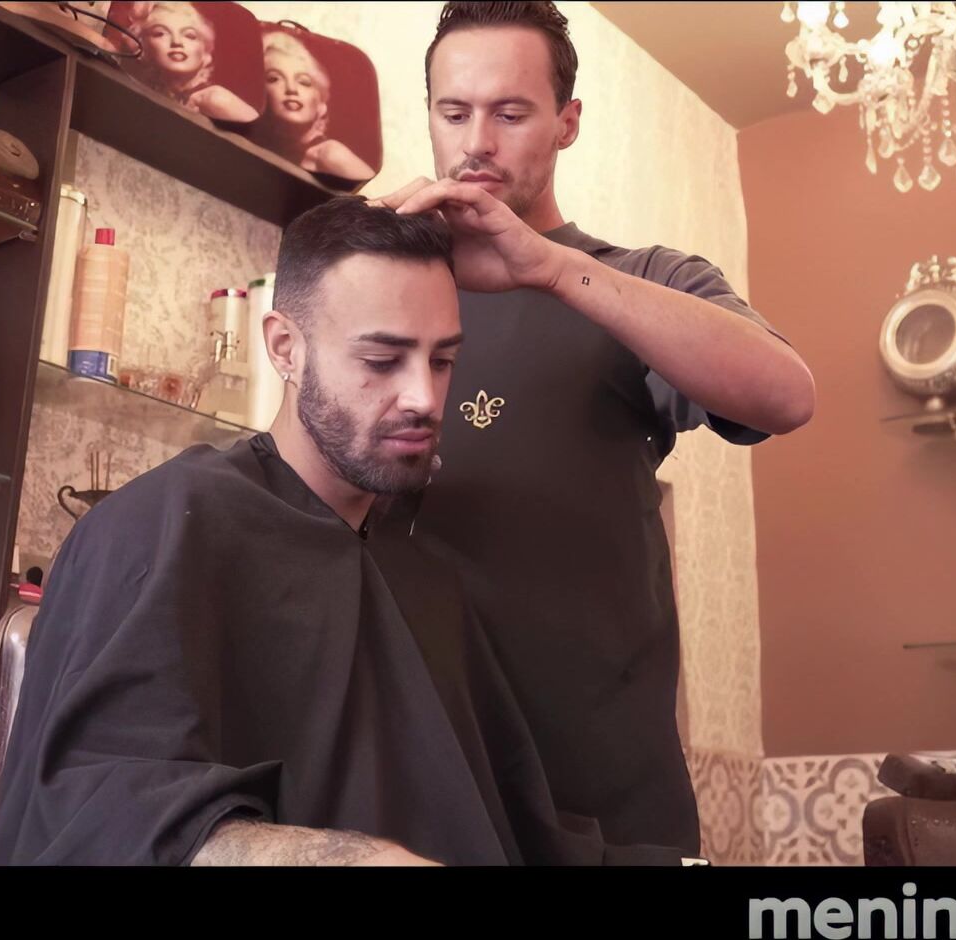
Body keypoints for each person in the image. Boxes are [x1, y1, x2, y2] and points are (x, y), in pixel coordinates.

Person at [0, 197, 679, 866]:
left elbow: (517, 831)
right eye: (382, 361)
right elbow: (101, 816)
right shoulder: (164, 528)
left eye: (442, 361)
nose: (424, 397)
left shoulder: (427, 574)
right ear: (285, 347)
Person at [369, 1, 817, 854]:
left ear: (566, 123)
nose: (476, 143)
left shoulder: (641, 279)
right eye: (454, 112)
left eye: (510, 114)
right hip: (422, 800)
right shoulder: (389, 294)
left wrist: (548, 268)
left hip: (611, 810)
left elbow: (786, 396)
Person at [258, 27, 377, 181]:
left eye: (304, 82)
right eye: (274, 78)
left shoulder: (331, 154)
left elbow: (372, 195)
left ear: (321, 104)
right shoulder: (267, 149)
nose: (291, 89)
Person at [110, 1, 258, 122]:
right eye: (160, 33)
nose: (177, 42)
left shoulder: (215, 99)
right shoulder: (144, 87)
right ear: (144, 47)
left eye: (190, 36)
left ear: (206, 52)